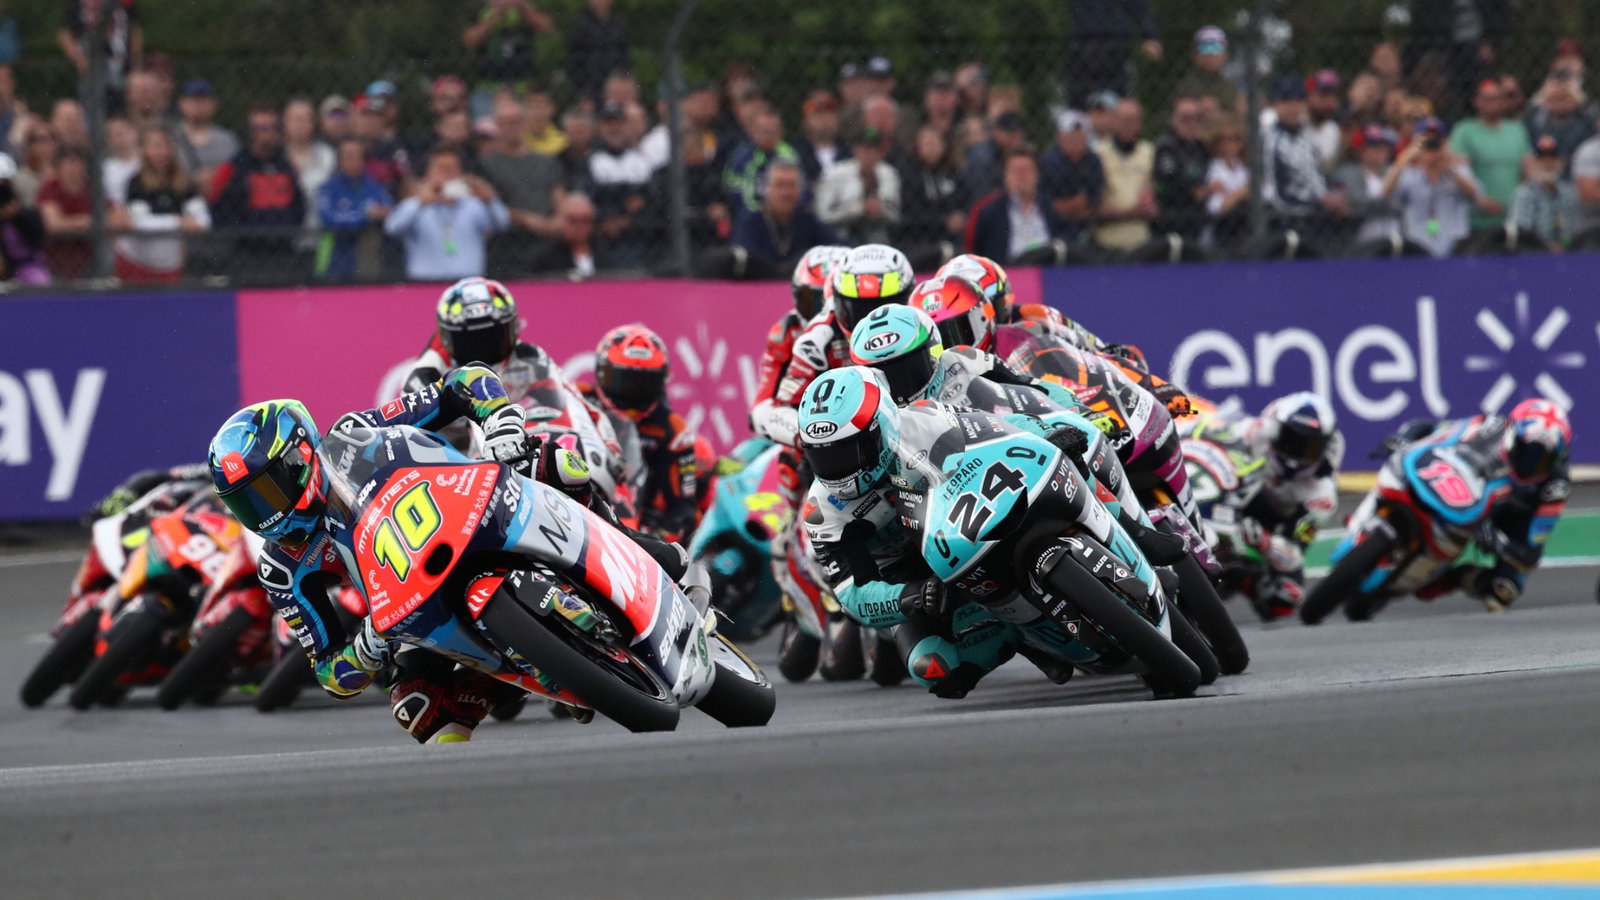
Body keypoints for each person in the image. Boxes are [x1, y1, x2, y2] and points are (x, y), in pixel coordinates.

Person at [207, 366, 678, 744]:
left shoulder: (352, 434)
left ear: (299, 458)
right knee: (417, 708)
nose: (264, 513)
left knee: (555, 462)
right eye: (247, 503)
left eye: (267, 490)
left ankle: (653, 556)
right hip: (408, 594)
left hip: (474, 507)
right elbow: (330, 673)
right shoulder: (281, 566)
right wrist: (367, 648)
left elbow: (464, 383)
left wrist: (499, 418)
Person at [1371, 398, 1571, 614]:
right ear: (1512, 432)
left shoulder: (1555, 486)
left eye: (1542, 459)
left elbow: (1531, 551)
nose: (1530, 463)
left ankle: (1457, 578)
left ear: (1557, 459)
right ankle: (1372, 520)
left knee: (1505, 588)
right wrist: (1404, 438)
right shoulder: (1491, 427)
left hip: (1501, 522)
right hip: (1459, 489)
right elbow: (1432, 429)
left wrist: (1499, 542)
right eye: (1527, 450)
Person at [1184, 392, 1343, 620]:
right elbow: (1200, 433)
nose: (1299, 451)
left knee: (1286, 598)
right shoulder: (1252, 433)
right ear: (1276, 429)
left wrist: (1265, 543)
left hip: (1266, 536)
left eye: (1311, 445)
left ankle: (1240, 578)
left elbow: (1295, 553)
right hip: (1225, 505)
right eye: (1293, 438)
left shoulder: (1321, 493)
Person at [754, 243, 913, 450]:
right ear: (836, 301)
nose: (874, 322)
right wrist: (819, 438)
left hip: (907, 428)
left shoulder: (923, 325)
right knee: (790, 462)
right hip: (842, 444)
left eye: (884, 307)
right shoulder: (816, 339)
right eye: (860, 309)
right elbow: (775, 410)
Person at [581, 324, 700, 542]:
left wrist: (654, 540)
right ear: (601, 372)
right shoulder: (576, 399)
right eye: (623, 380)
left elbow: (682, 510)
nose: (633, 393)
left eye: (645, 383)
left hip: (637, 524)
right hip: (579, 503)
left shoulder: (673, 430)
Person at [748, 244, 851, 465]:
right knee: (754, 454)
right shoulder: (786, 332)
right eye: (812, 301)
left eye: (831, 302)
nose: (823, 314)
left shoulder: (865, 329)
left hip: (862, 422)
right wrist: (808, 436)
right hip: (809, 430)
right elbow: (761, 410)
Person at [384, 150, 507, 281]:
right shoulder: (416, 205)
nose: (448, 175)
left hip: (468, 282)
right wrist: (419, 202)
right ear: (428, 174)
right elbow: (392, 228)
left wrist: (491, 200)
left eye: (453, 169)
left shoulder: (473, 204)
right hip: (424, 284)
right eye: (442, 169)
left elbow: (502, 224)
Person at [209, 106, 306, 271]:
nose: (265, 134)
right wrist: (241, 232)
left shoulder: (285, 165)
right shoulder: (234, 167)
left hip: (283, 252)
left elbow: (299, 203)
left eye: (271, 128)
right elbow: (217, 205)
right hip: (245, 254)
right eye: (260, 128)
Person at [1380, 118, 1492, 257]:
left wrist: (1449, 167)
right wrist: (1405, 158)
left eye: (1436, 142)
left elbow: (1476, 196)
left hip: (1455, 247)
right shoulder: (1408, 173)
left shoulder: (1459, 169)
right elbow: (1384, 194)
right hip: (1417, 246)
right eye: (1427, 142)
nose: (1432, 149)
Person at [111, 126, 209, 283]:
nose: (159, 152)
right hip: (136, 261)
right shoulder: (136, 183)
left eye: (164, 145)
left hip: (169, 264)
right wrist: (178, 221)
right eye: (154, 146)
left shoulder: (184, 183)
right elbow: (138, 223)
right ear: (144, 150)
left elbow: (202, 221)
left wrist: (165, 222)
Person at [481, 96, 564, 273]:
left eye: (516, 121)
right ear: (497, 125)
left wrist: (557, 221)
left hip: (548, 243)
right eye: (506, 122)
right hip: (507, 246)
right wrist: (527, 219)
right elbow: (489, 203)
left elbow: (559, 196)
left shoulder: (547, 162)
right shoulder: (486, 165)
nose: (512, 127)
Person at [1260, 76, 1346, 239]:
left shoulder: (1307, 140)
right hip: (1285, 220)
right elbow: (1274, 195)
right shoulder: (1269, 139)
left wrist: (1332, 196)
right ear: (1276, 105)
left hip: (1317, 218)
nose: (1293, 108)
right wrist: (1320, 202)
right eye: (1286, 101)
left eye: (1298, 101)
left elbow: (1319, 180)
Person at [729, 160, 837, 275]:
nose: (786, 193)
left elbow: (836, 248)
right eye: (780, 185)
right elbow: (743, 258)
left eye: (792, 185)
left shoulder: (808, 221)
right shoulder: (750, 223)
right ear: (766, 188)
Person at [1449, 78, 1528, 229]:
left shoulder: (1517, 130)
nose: (1493, 103)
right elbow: (1460, 169)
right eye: (1487, 98)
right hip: (1477, 219)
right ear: (1476, 101)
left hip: (1513, 217)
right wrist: (1480, 199)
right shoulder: (1464, 130)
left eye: (1497, 98)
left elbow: (1527, 169)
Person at [315, 137, 392, 281]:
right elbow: (329, 219)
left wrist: (370, 215)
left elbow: (389, 212)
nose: (353, 160)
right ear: (339, 160)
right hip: (337, 258)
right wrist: (365, 216)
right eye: (348, 156)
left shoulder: (376, 187)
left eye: (358, 155)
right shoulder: (328, 188)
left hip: (370, 259)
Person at [967, 145, 1059, 264]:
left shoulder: (1050, 208)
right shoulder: (989, 210)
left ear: (1037, 174)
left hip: (1045, 271)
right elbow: (973, 247)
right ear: (1005, 175)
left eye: (1026, 170)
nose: (1021, 176)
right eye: (1016, 170)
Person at [1065, 0, 1160, 107]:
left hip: (1116, 49)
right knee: (1080, 102)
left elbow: (1140, 7)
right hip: (1083, 49)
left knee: (1120, 102)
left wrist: (1150, 36)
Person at [817, 126, 900, 245]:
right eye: (866, 149)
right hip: (842, 235)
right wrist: (860, 208)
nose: (870, 154)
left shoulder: (889, 174)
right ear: (855, 150)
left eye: (875, 149)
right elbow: (823, 215)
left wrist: (881, 209)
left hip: (879, 234)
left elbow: (896, 214)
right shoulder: (834, 173)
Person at [1093, 99, 1156, 251]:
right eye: (1124, 119)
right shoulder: (1097, 154)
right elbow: (1094, 203)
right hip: (1106, 243)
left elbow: (1159, 189)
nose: (1129, 125)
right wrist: (1129, 213)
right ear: (1113, 121)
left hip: (1142, 242)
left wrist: (1153, 197)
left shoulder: (1150, 152)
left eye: (1133, 120)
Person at [57, 0, 141, 113]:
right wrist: (80, 61)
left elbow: (134, 29)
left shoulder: (124, 4)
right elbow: (65, 33)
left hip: (119, 64)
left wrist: (136, 62)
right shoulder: (78, 4)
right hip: (91, 64)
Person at [462, 0, 555, 102]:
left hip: (524, 84)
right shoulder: (480, 7)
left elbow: (547, 28)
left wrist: (521, 7)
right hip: (487, 85)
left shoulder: (527, 6)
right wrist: (497, 12)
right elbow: (469, 40)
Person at [1037, 110, 1103, 245]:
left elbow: (1092, 201)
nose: (1075, 139)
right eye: (1070, 134)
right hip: (1052, 228)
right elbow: (1047, 205)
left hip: (1086, 229)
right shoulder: (1048, 161)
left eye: (1079, 134)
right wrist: (1072, 205)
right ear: (1060, 136)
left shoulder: (1093, 161)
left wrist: (1067, 206)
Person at [897, 124, 967, 248]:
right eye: (927, 143)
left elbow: (963, 199)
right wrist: (943, 221)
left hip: (953, 235)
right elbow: (910, 214)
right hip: (919, 238)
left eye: (936, 142)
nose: (932, 148)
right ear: (918, 147)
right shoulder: (909, 175)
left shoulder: (954, 172)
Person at [1153, 97, 1211, 241]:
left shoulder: (1201, 147)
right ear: (1173, 120)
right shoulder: (1166, 146)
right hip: (1172, 220)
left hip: (1197, 221)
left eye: (1196, 118)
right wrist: (1194, 191)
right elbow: (1168, 180)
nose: (1191, 123)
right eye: (1185, 118)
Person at [1510, 135, 1581, 252]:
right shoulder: (1524, 193)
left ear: (1561, 162)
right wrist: (1547, 247)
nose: (1547, 163)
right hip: (1534, 256)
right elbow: (1520, 234)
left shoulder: (1569, 192)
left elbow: (1576, 229)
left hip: (1568, 255)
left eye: (1553, 158)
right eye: (1541, 159)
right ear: (1533, 163)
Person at [723, 107, 798, 218]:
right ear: (753, 132)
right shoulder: (741, 158)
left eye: (772, 131)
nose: (768, 135)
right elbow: (738, 196)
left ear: (781, 132)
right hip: (750, 215)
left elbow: (800, 189)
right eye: (764, 131)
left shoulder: (789, 154)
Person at [1335, 123, 1402, 245]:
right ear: (1361, 150)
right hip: (1362, 242)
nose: (1380, 151)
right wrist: (1387, 202)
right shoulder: (1348, 173)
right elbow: (1356, 204)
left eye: (1384, 147)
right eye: (1374, 146)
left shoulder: (1394, 172)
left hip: (1394, 239)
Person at [173, 79, 238, 194]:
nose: (198, 105)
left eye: (204, 100)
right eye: (193, 100)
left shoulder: (228, 139)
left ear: (213, 104)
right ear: (181, 104)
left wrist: (215, 176)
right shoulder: (171, 138)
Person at [37, 146, 92, 279]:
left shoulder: (92, 188)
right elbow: (52, 224)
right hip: (56, 262)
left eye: (78, 162)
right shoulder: (50, 188)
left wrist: (73, 223)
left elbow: (119, 219)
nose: (74, 168)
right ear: (59, 167)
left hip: (90, 260)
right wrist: (84, 222)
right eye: (70, 163)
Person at [1523, 76, 1594, 170]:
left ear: (1575, 101)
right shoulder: (1534, 119)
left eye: (1565, 98)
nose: (1559, 103)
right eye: (1554, 98)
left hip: (1572, 172)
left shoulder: (1584, 122)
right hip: (1539, 174)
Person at [1173, 26, 1238, 126]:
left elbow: (1235, 116)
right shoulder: (1186, 85)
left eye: (1216, 48)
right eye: (1204, 48)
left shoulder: (1230, 87)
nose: (1210, 54)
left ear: (1225, 55)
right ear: (1195, 56)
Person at [566, 0, 629, 101]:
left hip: (615, 87)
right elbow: (575, 61)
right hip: (590, 89)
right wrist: (584, 92)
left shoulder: (618, 25)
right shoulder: (580, 25)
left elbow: (624, 56)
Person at [1203, 118, 1251, 249]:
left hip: (1245, 226)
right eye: (1223, 139)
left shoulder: (1245, 170)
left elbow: (1265, 194)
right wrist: (1242, 193)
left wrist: (1231, 196)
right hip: (1222, 230)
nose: (1228, 144)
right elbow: (1216, 206)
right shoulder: (1213, 169)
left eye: (1234, 139)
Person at [0, 152, 46, 285]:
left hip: (23, 268)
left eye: (5, 184)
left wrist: (15, 215)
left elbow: (38, 239)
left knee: (37, 280)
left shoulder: (25, 213)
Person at [530, 192, 601, 277]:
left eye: (586, 220)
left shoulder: (605, 253)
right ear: (560, 221)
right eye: (573, 221)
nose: (580, 226)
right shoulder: (544, 258)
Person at [962, 109, 1025, 198]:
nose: (1016, 141)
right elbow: (982, 195)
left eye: (1019, 136)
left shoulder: (1015, 153)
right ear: (997, 133)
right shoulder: (982, 156)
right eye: (1011, 136)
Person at [793, 90, 846, 184]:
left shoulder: (852, 154)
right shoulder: (793, 154)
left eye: (830, 113)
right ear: (806, 120)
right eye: (817, 114)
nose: (824, 118)